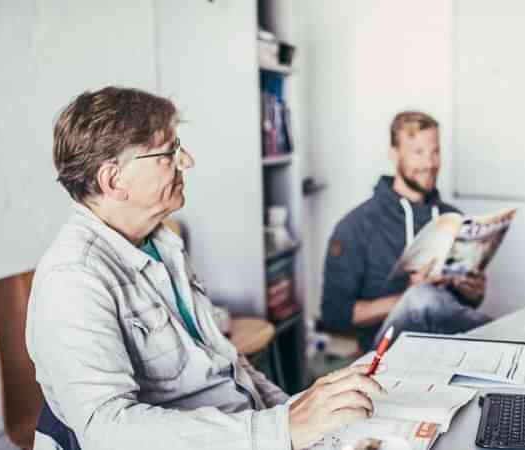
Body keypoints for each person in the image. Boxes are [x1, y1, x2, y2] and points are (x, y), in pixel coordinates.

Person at [27, 87, 383, 450]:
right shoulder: (73, 279)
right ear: (113, 180)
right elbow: (109, 431)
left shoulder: (162, 243)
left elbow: (228, 363)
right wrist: (281, 428)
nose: (187, 162)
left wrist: (302, 413)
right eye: (168, 153)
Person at [320, 111, 492, 352]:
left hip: (447, 343)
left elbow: (464, 306)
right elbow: (335, 315)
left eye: (435, 151)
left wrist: (474, 291)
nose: (430, 163)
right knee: (422, 298)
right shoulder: (355, 226)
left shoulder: (453, 218)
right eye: (418, 152)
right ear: (394, 154)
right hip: (386, 350)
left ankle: (504, 342)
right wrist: (408, 295)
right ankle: (503, 338)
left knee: (431, 300)